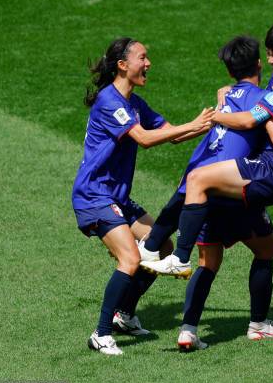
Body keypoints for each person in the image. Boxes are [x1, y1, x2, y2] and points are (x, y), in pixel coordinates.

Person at [137, 36, 273, 350]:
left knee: (209, 262)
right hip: (234, 187)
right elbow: (270, 133)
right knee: (266, 252)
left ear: (229, 72)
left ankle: (187, 330)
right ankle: (258, 324)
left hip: (200, 195)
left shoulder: (224, 96)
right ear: (257, 64)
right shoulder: (264, 98)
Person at [141, 21, 273, 282]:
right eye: (268, 54)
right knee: (261, 249)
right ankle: (235, 320)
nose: (270, 61)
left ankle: (179, 258)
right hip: (270, 159)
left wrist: (217, 115)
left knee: (197, 179)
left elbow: (251, 122)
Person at [71, 37, 214, 355]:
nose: (148, 64)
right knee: (131, 259)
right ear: (123, 65)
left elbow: (172, 133)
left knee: (160, 245)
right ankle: (101, 333)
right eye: (143, 58)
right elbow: (145, 139)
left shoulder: (134, 103)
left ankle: (125, 314)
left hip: (117, 197)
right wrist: (193, 124)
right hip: (94, 195)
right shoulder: (110, 102)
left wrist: (210, 124)